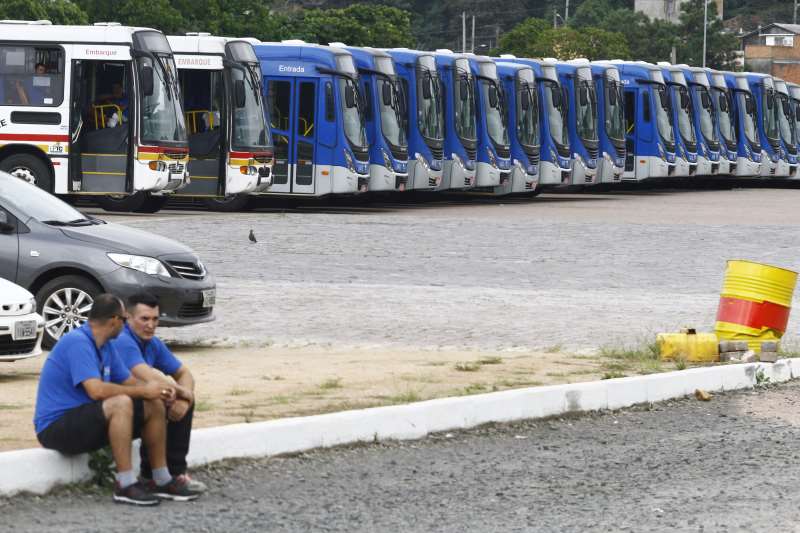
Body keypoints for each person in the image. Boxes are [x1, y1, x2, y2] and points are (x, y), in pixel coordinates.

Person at [33, 294, 201, 505]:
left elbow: (131, 382)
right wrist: (145, 391)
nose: (125, 326)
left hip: (86, 419)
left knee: (153, 402)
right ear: (115, 320)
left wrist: (161, 392)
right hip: (55, 428)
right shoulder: (78, 342)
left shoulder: (106, 346)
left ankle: (160, 479)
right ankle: (125, 484)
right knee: (121, 403)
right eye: (124, 319)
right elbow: (96, 391)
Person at [111, 291, 206, 493]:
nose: (151, 325)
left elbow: (184, 373)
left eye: (155, 319)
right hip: (115, 409)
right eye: (144, 319)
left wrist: (185, 397)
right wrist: (183, 394)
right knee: (165, 397)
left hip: (136, 405)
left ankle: (173, 473)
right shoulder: (123, 340)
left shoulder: (153, 343)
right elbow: (148, 377)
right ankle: (159, 475)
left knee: (178, 399)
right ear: (128, 317)